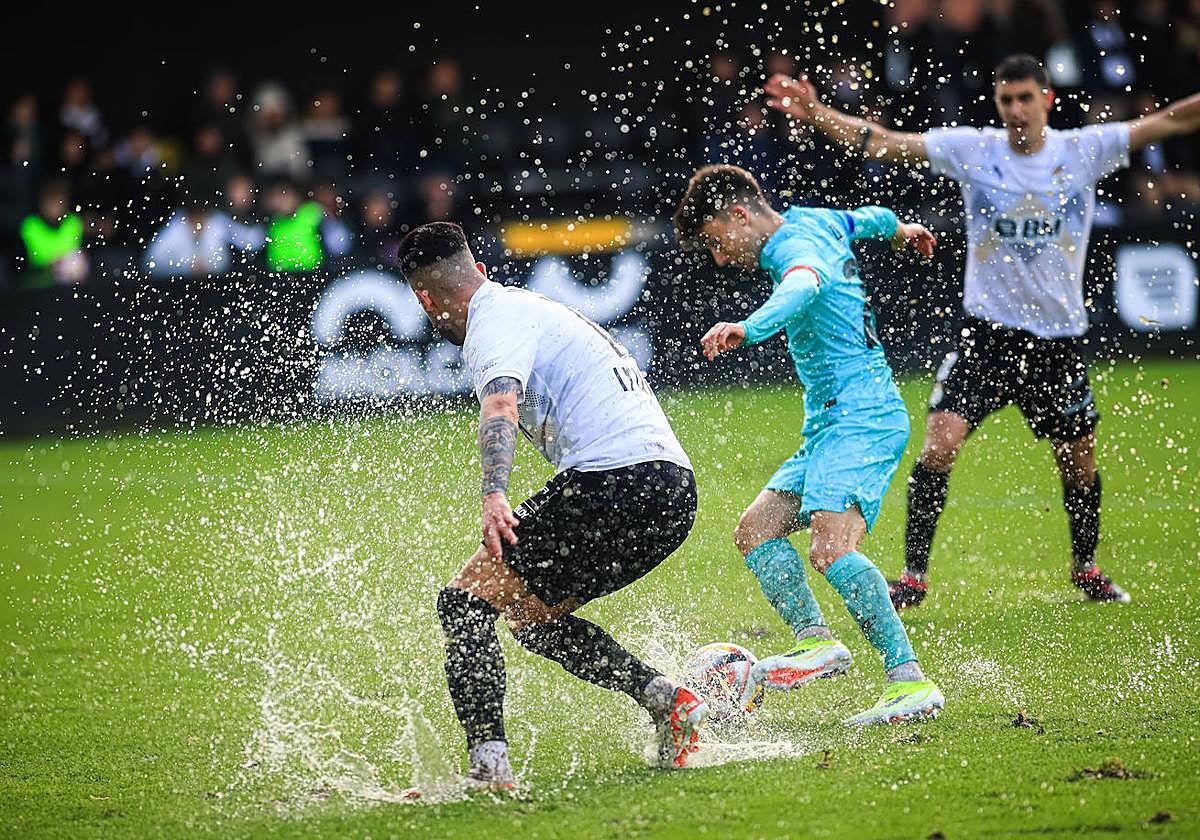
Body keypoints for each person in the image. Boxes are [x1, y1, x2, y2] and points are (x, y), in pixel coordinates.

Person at [765, 54, 1200, 608]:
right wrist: (819, 112)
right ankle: (915, 577)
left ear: (1048, 99)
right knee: (939, 445)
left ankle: (1085, 567)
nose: (1016, 111)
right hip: (986, 337)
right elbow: (883, 143)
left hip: (1055, 341)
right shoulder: (976, 151)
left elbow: (1171, 120)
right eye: (1006, 101)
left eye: (1025, 99)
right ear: (997, 104)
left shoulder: (1083, 150)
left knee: (1078, 459)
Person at [398, 221, 707, 788]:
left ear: (423, 298)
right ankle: (669, 700)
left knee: (463, 605)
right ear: (481, 270)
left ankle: (491, 771)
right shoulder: (524, 306)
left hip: (614, 480)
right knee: (533, 620)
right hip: (671, 493)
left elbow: (500, 406)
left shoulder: (492, 323)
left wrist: (495, 493)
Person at [674, 164, 944, 726]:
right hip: (829, 425)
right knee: (756, 530)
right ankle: (815, 643)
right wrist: (904, 229)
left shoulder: (794, 247)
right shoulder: (817, 219)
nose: (720, 259)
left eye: (716, 243)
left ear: (739, 215)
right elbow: (869, 219)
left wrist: (749, 327)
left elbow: (804, 284)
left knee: (832, 548)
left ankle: (909, 682)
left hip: (863, 418)